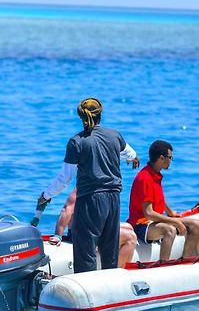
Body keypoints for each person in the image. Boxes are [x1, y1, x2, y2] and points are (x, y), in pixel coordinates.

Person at [35, 98, 140, 273]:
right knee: (109, 249)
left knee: (86, 252)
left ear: (80, 116)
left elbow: (64, 178)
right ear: (100, 115)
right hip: (113, 200)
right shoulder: (114, 135)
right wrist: (134, 159)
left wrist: (46, 195)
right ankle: (109, 290)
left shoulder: (77, 142)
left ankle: (86, 292)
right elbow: (131, 154)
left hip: (90, 200)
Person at [127, 140, 199, 260]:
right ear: (161, 158)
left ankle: (186, 260)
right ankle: (164, 264)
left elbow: (157, 197)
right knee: (170, 230)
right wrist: (175, 222)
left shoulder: (155, 174)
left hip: (153, 221)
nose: (171, 161)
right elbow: (149, 213)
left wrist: (170, 212)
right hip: (141, 224)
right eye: (170, 158)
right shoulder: (144, 178)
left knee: (196, 225)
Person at [48, 188, 137, 269]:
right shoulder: (83, 188)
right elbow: (67, 209)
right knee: (130, 237)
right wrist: (58, 235)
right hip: (83, 235)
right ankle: (116, 274)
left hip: (97, 230)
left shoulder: (100, 185)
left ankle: (110, 257)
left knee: (128, 227)